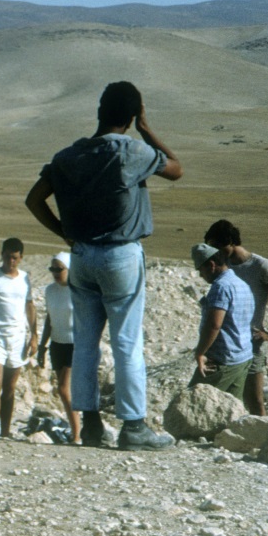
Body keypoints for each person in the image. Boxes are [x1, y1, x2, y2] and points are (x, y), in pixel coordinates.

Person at [26, 81, 183, 450]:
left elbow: (34, 199)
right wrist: (146, 129)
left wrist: (65, 234)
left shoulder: (67, 157)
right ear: (130, 118)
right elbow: (176, 170)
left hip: (81, 256)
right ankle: (133, 427)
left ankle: (92, 426)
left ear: (98, 111)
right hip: (121, 255)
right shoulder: (132, 151)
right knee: (126, 342)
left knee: (85, 343)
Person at [203, 220, 268, 416]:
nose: (215, 253)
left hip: (251, 343)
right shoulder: (223, 266)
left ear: (229, 241)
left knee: (254, 399)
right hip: (225, 344)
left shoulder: (261, 266)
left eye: (217, 246)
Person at [0, 238, 37, 438]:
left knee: (10, 387)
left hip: (18, 337)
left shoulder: (25, 279)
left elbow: (30, 306)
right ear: (2, 255)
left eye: (15, 258)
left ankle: (5, 430)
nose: (11, 261)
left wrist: (34, 335)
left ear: (20, 258)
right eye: (7, 256)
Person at [189, 243, 256, 399]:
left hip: (222, 361)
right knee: (231, 411)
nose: (200, 275)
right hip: (243, 356)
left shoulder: (221, 287)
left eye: (201, 270)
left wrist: (200, 352)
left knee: (196, 403)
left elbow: (214, 324)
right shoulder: (241, 284)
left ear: (211, 265)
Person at [36, 252, 79, 442]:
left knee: (63, 388)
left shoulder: (78, 291)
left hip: (74, 344)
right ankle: (76, 427)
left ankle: (77, 433)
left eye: (59, 269)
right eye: (52, 269)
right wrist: (42, 346)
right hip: (56, 344)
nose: (55, 273)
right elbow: (49, 319)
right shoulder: (50, 291)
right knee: (64, 390)